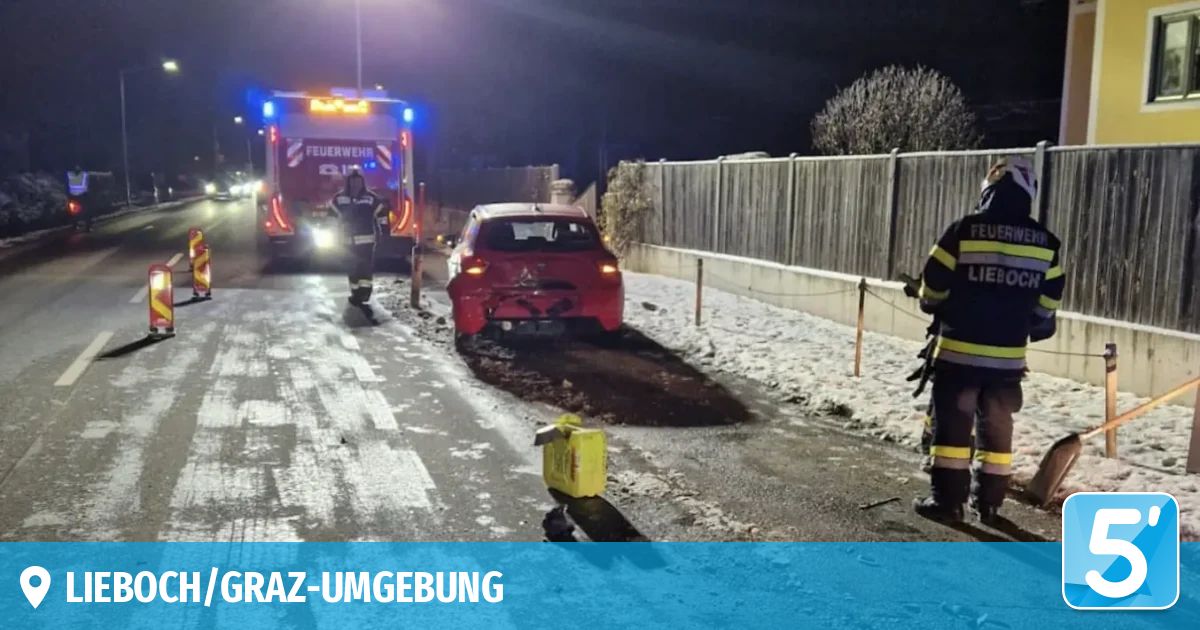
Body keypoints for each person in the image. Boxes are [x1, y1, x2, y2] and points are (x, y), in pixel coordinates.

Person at [912, 157, 1065, 525]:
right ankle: (990, 504)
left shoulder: (963, 230)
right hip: (1007, 362)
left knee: (952, 432)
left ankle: (948, 504)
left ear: (988, 190)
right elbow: (1048, 304)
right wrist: (1027, 321)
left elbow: (932, 284)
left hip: (959, 356)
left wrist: (934, 303)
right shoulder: (1046, 244)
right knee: (997, 433)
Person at [330, 169, 387, 307]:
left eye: (358, 181)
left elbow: (381, 214)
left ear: (362, 183)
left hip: (367, 240)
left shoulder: (371, 198)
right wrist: (333, 233)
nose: (355, 184)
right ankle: (355, 293)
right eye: (353, 181)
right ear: (348, 182)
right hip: (347, 241)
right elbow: (332, 217)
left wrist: (383, 231)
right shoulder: (339, 198)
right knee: (352, 269)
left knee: (365, 268)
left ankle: (365, 293)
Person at [66, 165, 92, 231]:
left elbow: (67, 185)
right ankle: (88, 227)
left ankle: (75, 226)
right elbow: (88, 185)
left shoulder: (69, 174)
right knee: (87, 212)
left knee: (74, 212)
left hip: (73, 197)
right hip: (82, 197)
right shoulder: (85, 175)